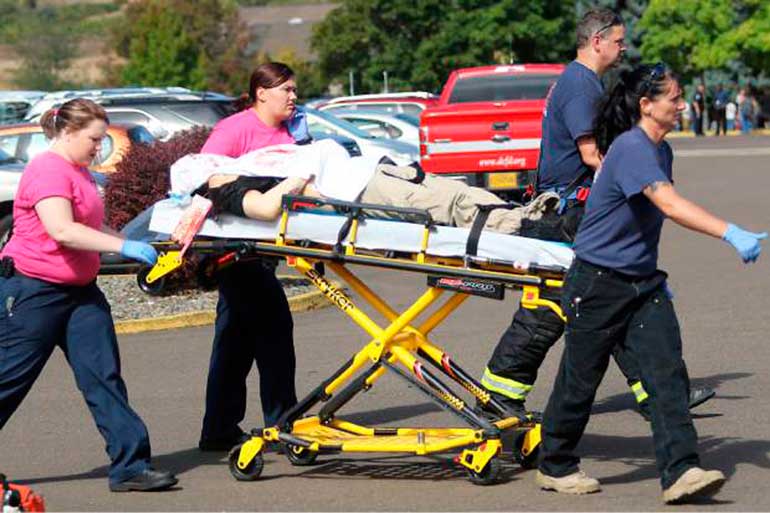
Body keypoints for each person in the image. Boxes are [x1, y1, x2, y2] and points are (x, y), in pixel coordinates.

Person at [535, 63, 766, 503]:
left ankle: (682, 470)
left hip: (641, 283)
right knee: (580, 380)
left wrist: (646, 269)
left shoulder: (661, 151)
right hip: (597, 282)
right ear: (646, 105)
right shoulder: (632, 148)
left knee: (666, 374)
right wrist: (729, 231)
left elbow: (647, 219)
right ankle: (555, 464)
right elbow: (670, 205)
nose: (682, 106)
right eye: (674, 98)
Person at [477, 8, 714, 422]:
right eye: (619, 41)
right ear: (597, 40)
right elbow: (592, 156)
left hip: (571, 213)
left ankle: (660, 394)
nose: (623, 49)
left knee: (606, 303)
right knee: (557, 310)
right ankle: (498, 393)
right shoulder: (581, 86)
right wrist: (636, 188)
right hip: (566, 218)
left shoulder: (581, 81)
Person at [0, 99, 178, 492]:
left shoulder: (78, 172)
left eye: (101, 139)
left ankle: (130, 466)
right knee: (8, 379)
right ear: (67, 132)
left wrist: (141, 239)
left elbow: (96, 227)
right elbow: (63, 230)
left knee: (103, 378)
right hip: (33, 293)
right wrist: (125, 248)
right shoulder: (47, 170)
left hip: (80, 293)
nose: (99, 147)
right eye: (94, 139)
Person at [196, 62, 303, 451]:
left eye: (294, 90)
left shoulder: (288, 132)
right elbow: (208, 176)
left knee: (236, 338)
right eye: (286, 90)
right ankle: (283, 422)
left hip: (264, 248)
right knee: (275, 330)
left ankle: (219, 428)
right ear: (262, 92)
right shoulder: (235, 128)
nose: (293, 97)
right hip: (234, 250)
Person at [171, 139, 559, 235]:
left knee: (453, 193)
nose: (212, 161)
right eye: (205, 167)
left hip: (369, 174)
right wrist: (304, 172)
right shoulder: (229, 191)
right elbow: (268, 209)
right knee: (447, 205)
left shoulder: (241, 169)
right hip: (358, 192)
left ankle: (532, 215)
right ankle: (531, 227)